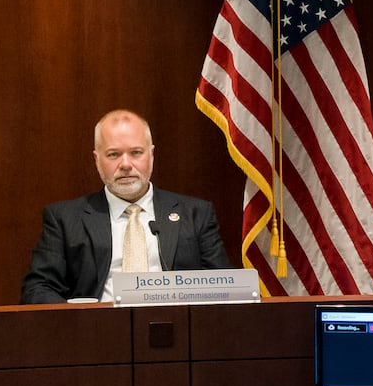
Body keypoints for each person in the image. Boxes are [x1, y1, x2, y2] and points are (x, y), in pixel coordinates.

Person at [20, 109, 232, 303]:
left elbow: (226, 288)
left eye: (136, 153)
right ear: (96, 160)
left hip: (180, 332)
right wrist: (79, 322)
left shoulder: (196, 214)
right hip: (96, 333)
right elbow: (38, 289)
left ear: (151, 155)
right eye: (113, 154)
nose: (125, 164)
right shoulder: (64, 219)